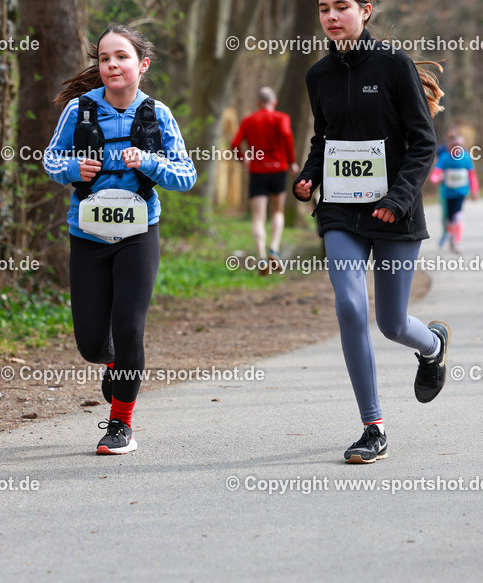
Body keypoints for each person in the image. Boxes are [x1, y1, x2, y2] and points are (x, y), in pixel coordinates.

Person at [293, 0, 449, 464]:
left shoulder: (393, 65)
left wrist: (398, 198)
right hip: (340, 209)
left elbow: (424, 143)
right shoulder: (318, 76)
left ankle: (432, 345)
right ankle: (372, 426)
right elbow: (325, 137)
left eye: (342, 7)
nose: (332, 17)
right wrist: (309, 174)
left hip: (394, 211)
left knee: (391, 323)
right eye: (324, 9)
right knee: (350, 308)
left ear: (365, 11)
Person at [45, 23, 197, 455]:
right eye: (104, 58)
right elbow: (51, 160)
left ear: (142, 65)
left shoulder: (157, 114)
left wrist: (149, 162)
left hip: (138, 232)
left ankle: (120, 425)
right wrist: (74, 170)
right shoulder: (79, 110)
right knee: (92, 342)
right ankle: (111, 361)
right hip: (88, 233)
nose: (111, 64)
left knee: (129, 327)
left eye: (121, 57)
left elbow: (186, 176)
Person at [231, 87, 298, 273]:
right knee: (277, 211)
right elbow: (286, 135)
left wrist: (243, 159)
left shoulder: (249, 120)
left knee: (258, 217)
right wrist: (292, 161)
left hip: (257, 172)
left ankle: (261, 258)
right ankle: (274, 250)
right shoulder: (281, 118)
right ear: (274, 102)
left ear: (258, 103)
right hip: (278, 170)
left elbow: (235, 143)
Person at [430, 129, 478, 254]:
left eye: (459, 147)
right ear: (449, 147)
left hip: (461, 192)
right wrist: (436, 179)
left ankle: (457, 241)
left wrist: (474, 191)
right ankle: (451, 236)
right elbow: (437, 172)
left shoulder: (466, 158)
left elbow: (472, 175)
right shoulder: (445, 157)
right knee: (449, 218)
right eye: (453, 147)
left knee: (458, 216)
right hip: (447, 193)